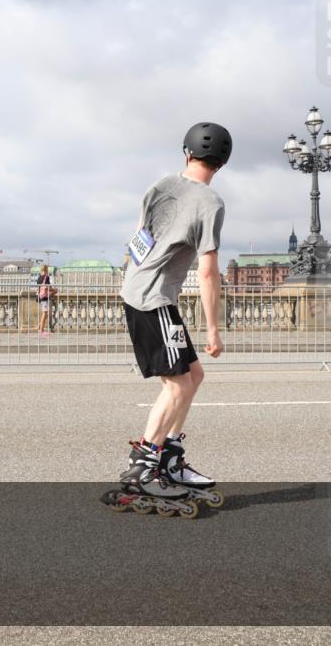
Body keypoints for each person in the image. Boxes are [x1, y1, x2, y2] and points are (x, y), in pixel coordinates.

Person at [114, 122, 231, 510]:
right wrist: (213, 330)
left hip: (141, 290)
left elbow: (137, 239)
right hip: (154, 298)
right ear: (222, 162)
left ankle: (170, 456)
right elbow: (208, 271)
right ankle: (145, 465)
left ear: (187, 152)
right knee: (178, 386)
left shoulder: (159, 186)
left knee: (193, 376)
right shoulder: (211, 203)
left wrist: (138, 276)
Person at [34, 264, 55, 334]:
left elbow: (39, 287)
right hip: (44, 297)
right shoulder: (46, 277)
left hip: (40, 296)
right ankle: (41, 330)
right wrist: (54, 290)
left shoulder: (39, 277)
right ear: (46, 270)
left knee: (45, 313)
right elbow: (48, 287)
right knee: (45, 313)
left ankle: (39, 326)